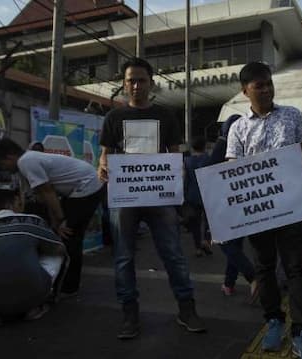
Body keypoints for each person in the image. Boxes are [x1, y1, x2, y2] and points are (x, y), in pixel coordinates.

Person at [97, 57, 205, 339]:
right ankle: (129, 314)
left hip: (160, 196)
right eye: (131, 80)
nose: (136, 85)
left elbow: (174, 153)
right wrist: (103, 167)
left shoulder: (166, 116)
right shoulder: (114, 117)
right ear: (124, 84)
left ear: (151, 83)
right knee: (123, 257)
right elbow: (105, 154)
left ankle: (186, 308)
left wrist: (177, 176)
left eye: (141, 80)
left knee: (173, 254)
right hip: (124, 198)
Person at [225, 62, 302, 358]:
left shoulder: (292, 116)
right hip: (258, 211)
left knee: (296, 267)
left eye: (269, 83)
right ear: (245, 91)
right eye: (259, 85)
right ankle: (273, 322)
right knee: (265, 267)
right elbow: (233, 171)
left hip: (293, 205)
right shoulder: (238, 128)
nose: (266, 89)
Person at [0, 138, 104, 297]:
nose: (3, 169)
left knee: (69, 237)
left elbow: (48, 193)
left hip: (87, 186)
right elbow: (45, 197)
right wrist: (56, 223)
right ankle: (65, 283)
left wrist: (60, 221)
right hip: (82, 187)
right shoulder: (27, 162)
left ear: (10, 157)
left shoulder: (26, 162)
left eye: (2, 165)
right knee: (63, 234)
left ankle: (69, 287)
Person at [0, 189, 67, 327]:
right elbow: (59, 248)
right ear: (14, 204)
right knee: (56, 253)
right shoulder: (32, 221)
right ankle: (35, 307)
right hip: (35, 297)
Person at [210, 115, 258, 299]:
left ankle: (252, 276)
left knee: (226, 243)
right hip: (245, 201)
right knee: (235, 243)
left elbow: (210, 177)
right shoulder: (248, 145)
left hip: (225, 203)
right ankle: (228, 284)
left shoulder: (221, 146)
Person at [183, 136, 213, 257]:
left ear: (192, 147)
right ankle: (206, 240)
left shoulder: (187, 161)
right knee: (209, 220)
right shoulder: (209, 159)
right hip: (207, 193)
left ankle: (198, 248)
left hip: (192, 194)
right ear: (204, 146)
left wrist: (184, 194)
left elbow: (185, 179)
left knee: (195, 223)